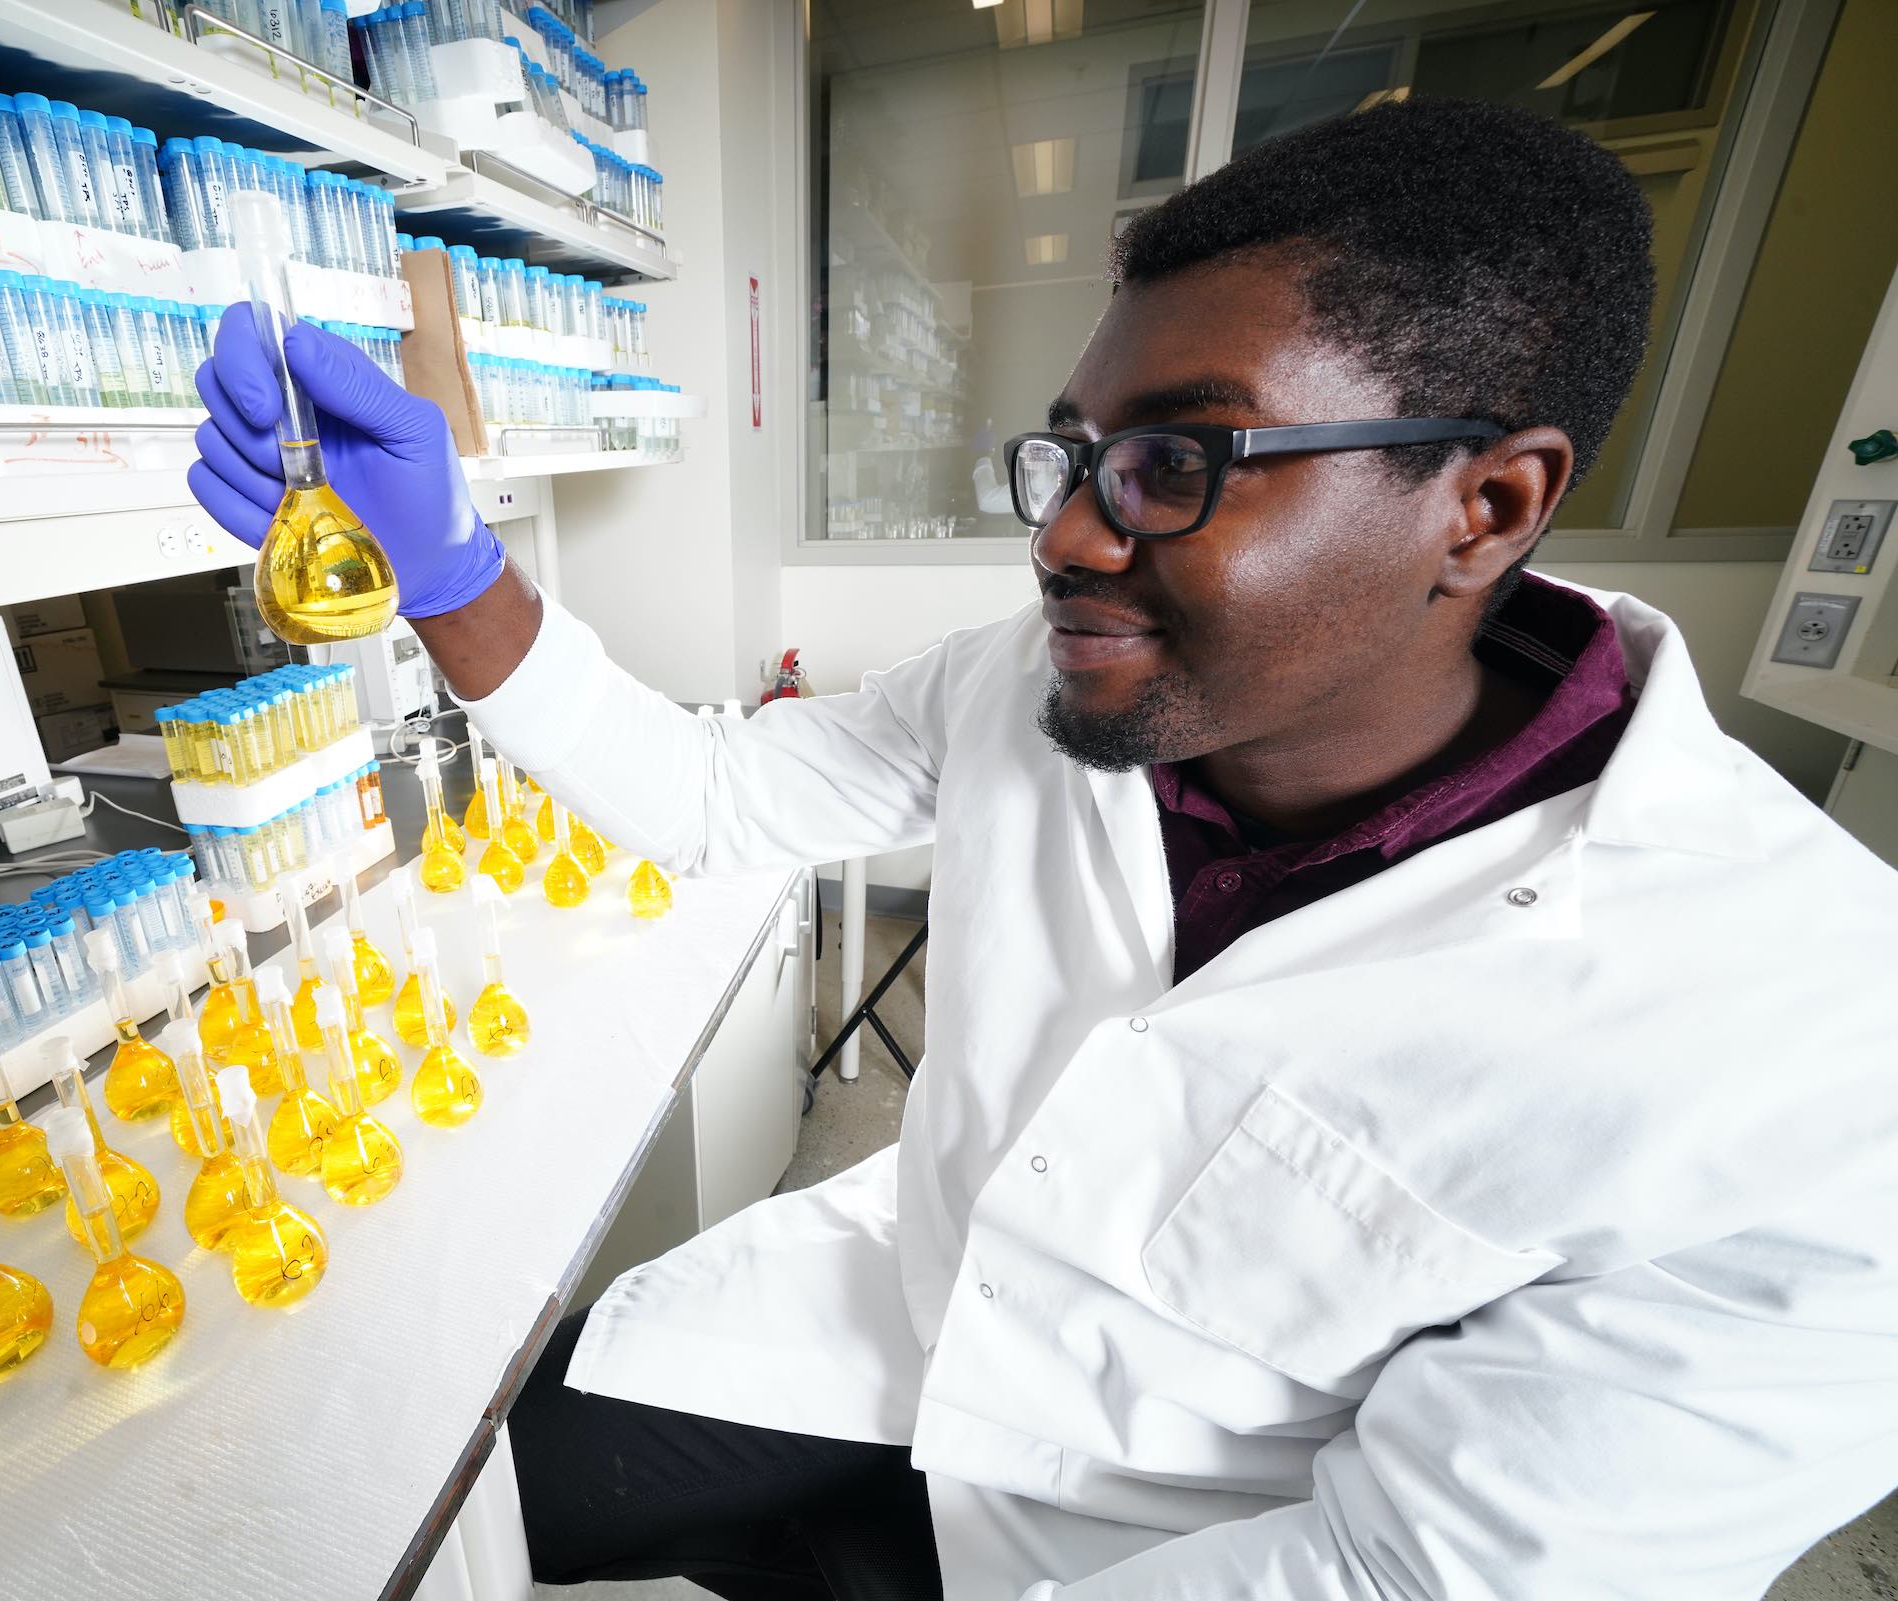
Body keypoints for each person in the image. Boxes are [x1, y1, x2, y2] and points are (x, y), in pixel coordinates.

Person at [191, 98, 1898, 1600]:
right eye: (1077, 452)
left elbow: (1402, 1572)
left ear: (1488, 505)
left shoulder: (1811, 1056)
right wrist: (448, 572)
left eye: (1181, 462)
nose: (1069, 537)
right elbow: (723, 798)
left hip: (1179, 1535)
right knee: (434, 1507)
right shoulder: (1055, 681)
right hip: (876, 1341)